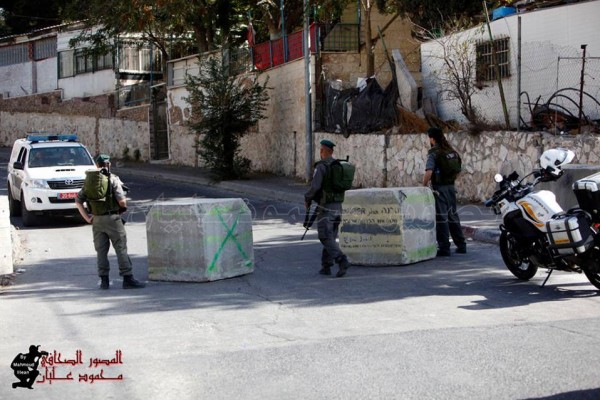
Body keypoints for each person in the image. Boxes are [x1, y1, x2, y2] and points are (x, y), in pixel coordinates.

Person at [75, 154, 145, 289]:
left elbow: (78, 201)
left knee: (101, 251)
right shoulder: (112, 179)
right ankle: (127, 278)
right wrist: (122, 208)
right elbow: (122, 201)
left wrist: (88, 218)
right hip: (113, 219)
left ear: (97, 165)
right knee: (120, 248)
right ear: (109, 164)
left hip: (97, 220)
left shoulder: (90, 182)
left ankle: (104, 281)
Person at [305, 139, 351, 277]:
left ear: (324, 151)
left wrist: (307, 198)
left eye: (321, 150)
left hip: (326, 207)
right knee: (330, 237)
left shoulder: (321, 166)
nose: (320, 152)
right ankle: (326, 265)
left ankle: (341, 260)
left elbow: (315, 186)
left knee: (325, 236)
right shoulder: (338, 165)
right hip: (338, 207)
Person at [423, 127, 467, 257]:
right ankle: (461, 245)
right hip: (450, 188)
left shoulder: (434, 153)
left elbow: (429, 171)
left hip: (439, 188)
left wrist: (424, 185)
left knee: (441, 217)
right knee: (453, 216)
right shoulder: (450, 151)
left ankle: (444, 248)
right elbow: (458, 170)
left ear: (432, 139)